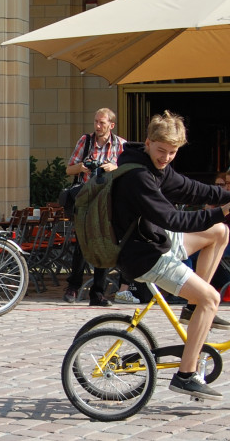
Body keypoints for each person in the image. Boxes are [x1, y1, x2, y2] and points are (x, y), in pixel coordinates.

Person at [113, 111, 230, 400]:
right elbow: (173, 219)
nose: (166, 157)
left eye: (173, 152)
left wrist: (225, 196)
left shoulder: (155, 168)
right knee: (211, 299)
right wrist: (223, 211)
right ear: (148, 142)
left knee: (219, 232)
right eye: (161, 150)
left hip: (154, 241)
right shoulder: (139, 176)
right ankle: (186, 375)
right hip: (143, 256)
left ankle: (192, 307)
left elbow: (189, 189)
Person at [63, 108, 127, 307]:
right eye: (96, 122)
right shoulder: (85, 141)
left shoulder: (121, 144)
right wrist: (83, 166)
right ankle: (73, 287)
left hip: (107, 201)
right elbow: (68, 168)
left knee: (104, 244)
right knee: (82, 244)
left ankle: (97, 294)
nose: (98, 126)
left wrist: (113, 167)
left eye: (102, 123)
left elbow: (128, 172)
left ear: (111, 125)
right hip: (86, 199)